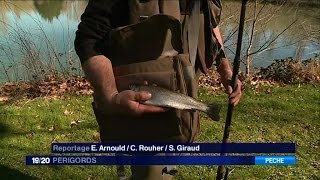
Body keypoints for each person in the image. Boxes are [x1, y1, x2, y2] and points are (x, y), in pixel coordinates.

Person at [74, 0, 242, 179]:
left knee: (172, 154)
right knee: (150, 173)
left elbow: (211, 24)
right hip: (142, 100)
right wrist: (110, 96)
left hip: (185, 89)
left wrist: (225, 69)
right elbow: (89, 39)